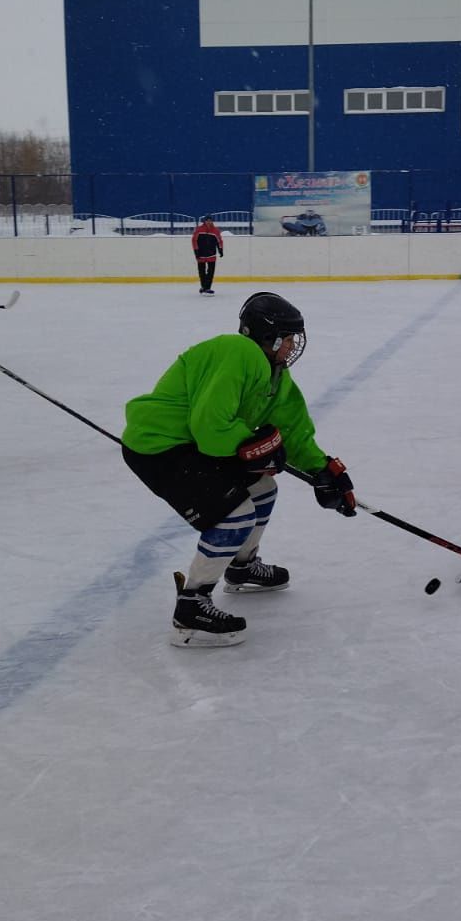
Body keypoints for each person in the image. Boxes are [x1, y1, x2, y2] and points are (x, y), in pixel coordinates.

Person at [121, 291, 357, 647]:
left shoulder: (275, 374)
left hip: (191, 446)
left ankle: (242, 566)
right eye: (289, 337)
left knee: (263, 489)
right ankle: (192, 604)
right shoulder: (239, 352)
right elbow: (211, 427)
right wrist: (255, 446)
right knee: (234, 516)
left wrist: (322, 470)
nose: (294, 345)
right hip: (159, 447)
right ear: (268, 337)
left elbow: (291, 428)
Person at [190, 216, 224, 295]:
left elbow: (219, 241)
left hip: (211, 254)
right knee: (202, 272)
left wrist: (220, 250)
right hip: (200, 254)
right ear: (204, 221)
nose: (209, 222)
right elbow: (194, 240)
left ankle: (207, 288)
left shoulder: (216, 231)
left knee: (211, 272)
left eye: (210, 221)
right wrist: (196, 251)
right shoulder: (199, 229)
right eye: (207, 221)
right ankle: (203, 287)